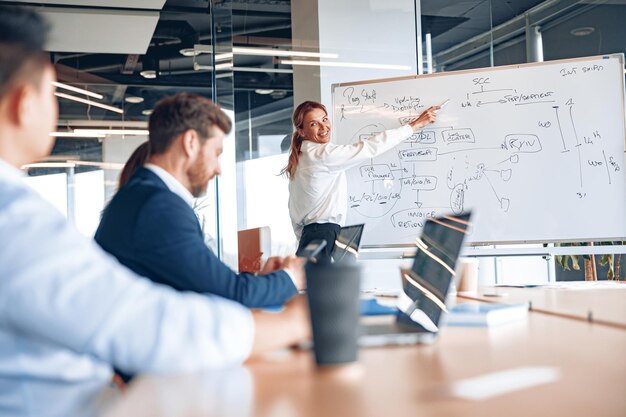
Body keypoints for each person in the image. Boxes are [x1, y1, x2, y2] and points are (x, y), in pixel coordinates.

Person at [0, 6, 309, 416]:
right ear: (24, 102)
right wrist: (296, 321)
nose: (219, 167)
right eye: (51, 92)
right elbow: (154, 327)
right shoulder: (16, 218)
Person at [95, 92, 305, 308]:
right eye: (216, 152)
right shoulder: (159, 206)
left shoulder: (137, 196)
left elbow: (200, 285)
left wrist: (263, 282)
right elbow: (230, 294)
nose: (218, 169)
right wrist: (292, 276)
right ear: (191, 142)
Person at [283, 100, 439, 263]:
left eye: (325, 119)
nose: (324, 127)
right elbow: (369, 147)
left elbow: (295, 211)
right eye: (314, 124)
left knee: (313, 286)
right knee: (322, 287)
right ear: (301, 131)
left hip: (312, 237)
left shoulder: (301, 158)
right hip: (323, 234)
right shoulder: (322, 154)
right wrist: (413, 126)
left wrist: (308, 238)